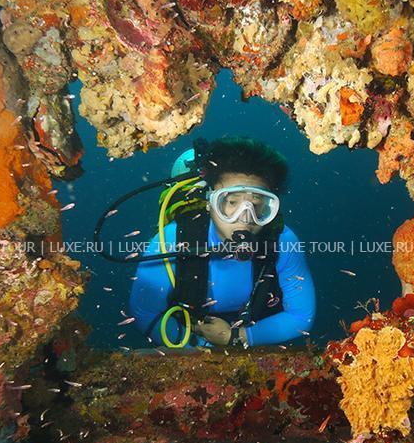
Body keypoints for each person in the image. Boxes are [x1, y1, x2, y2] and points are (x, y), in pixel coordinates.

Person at [129, 137, 316, 348]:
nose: (244, 217)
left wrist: (237, 337)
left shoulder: (283, 241)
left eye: (257, 205)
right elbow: (144, 311)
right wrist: (200, 348)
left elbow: (302, 316)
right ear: (210, 202)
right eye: (231, 202)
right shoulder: (171, 240)